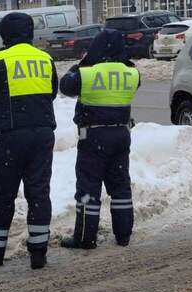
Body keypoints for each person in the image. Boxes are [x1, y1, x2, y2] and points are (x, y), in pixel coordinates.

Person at [0, 12, 58, 269]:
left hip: (12, 136)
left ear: (4, 34)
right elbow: (51, 92)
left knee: (3, 194)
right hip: (42, 134)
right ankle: (38, 252)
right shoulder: (45, 59)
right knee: (39, 192)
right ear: (30, 33)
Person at [59, 29, 140, 249]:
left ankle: (85, 237)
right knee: (120, 186)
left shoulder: (87, 73)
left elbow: (65, 85)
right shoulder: (132, 73)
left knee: (88, 187)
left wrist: (79, 65)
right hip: (122, 135)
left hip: (92, 136)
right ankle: (123, 235)